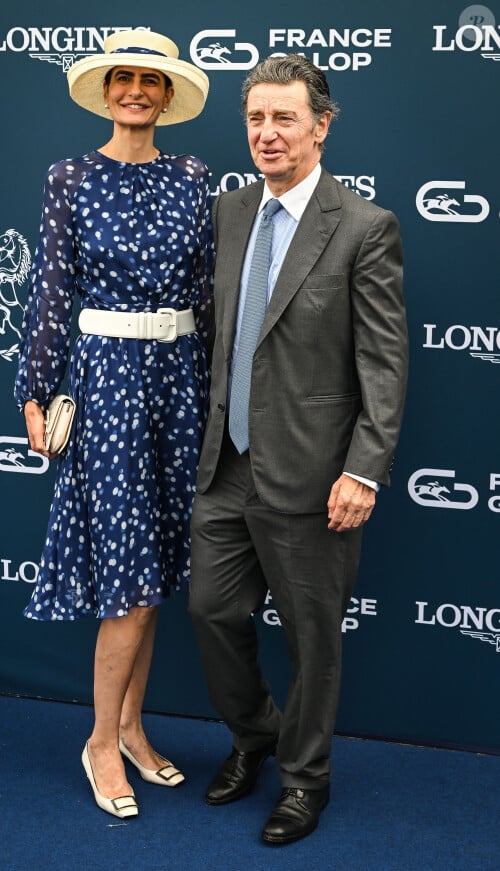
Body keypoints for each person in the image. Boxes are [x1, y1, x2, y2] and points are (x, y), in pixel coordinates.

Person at [188, 53, 408, 845]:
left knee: (313, 642)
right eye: (256, 119)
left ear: (321, 126)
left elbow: (383, 363)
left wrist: (363, 467)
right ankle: (255, 739)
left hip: (317, 476)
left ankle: (305, 780)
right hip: (226, 465)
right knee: (212, 612)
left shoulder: (363, 227)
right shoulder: (231, 212)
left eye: (285, 118)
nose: (268, 133)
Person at [14, 30, 212, 820]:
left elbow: (203, 291)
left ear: (167, 97)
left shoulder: (194, 175)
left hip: (180, 384)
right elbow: (53, 289)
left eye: (150, 81)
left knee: (157, 562)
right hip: (108, 385)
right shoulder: (70, 175)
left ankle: (132, 725)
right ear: (106, 92)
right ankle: (100, 739)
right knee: (127, 570)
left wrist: (214, 400)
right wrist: (34, 390)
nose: (135, 90)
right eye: (123, 78)